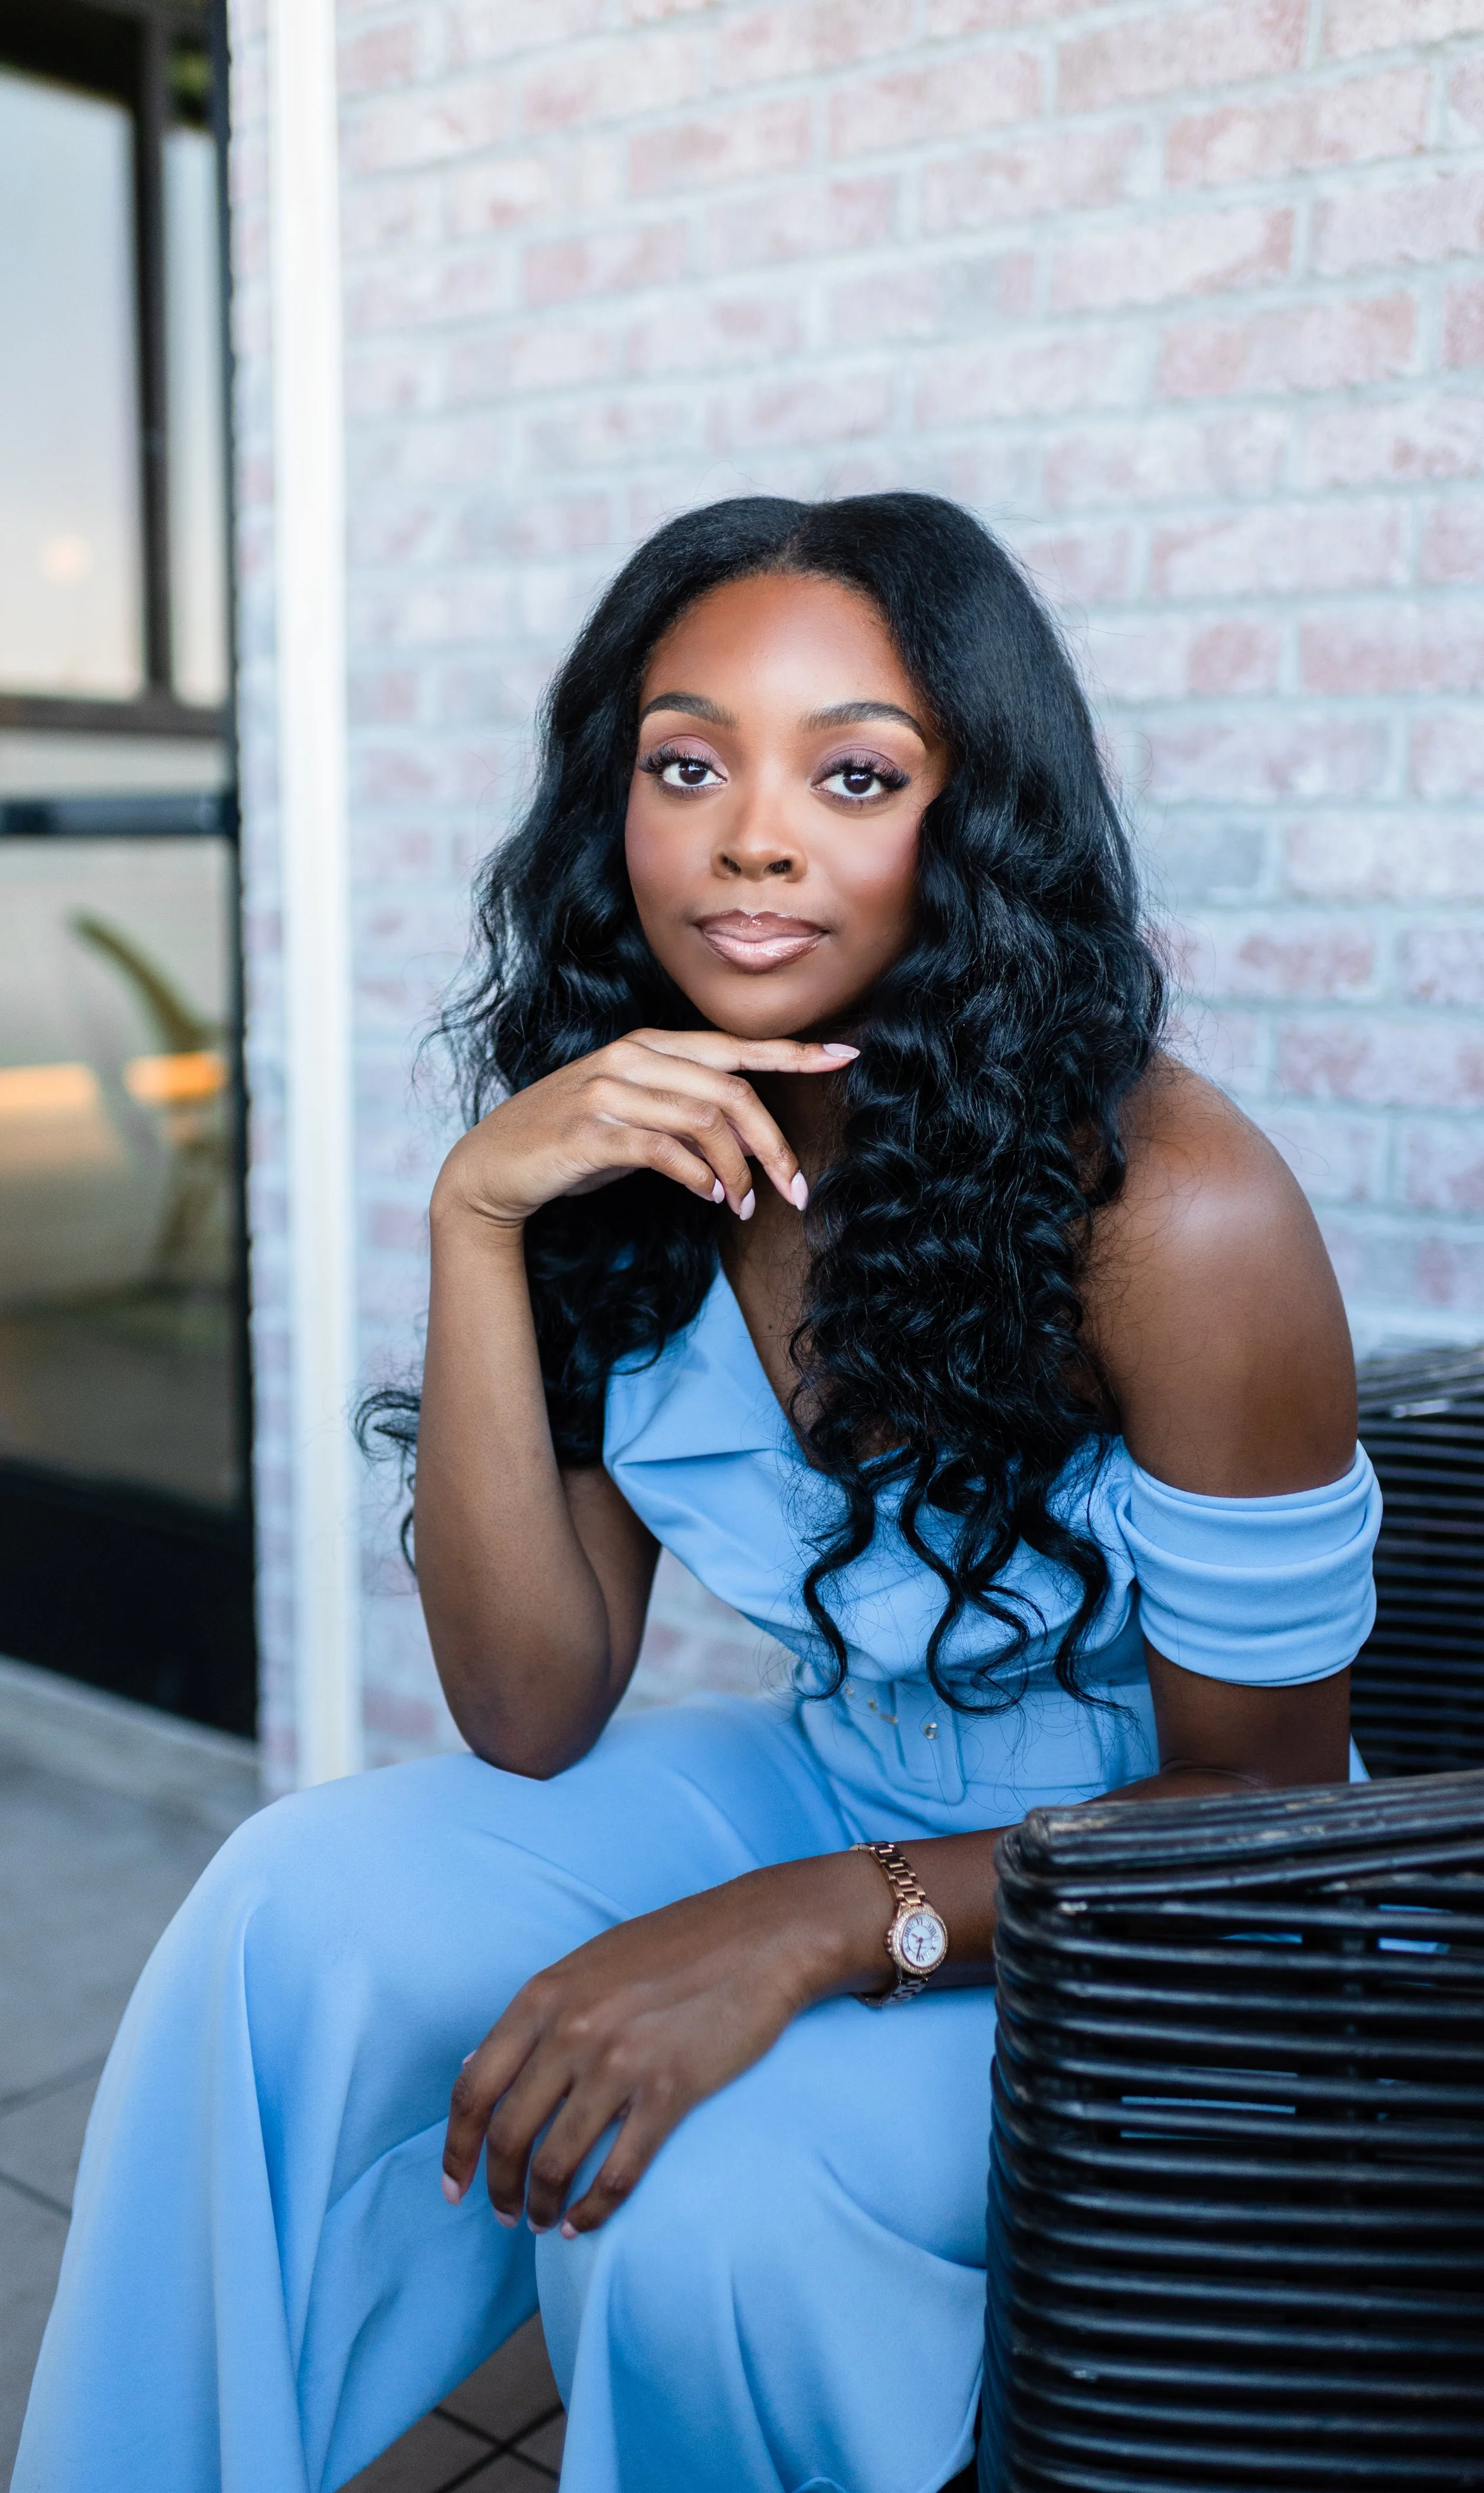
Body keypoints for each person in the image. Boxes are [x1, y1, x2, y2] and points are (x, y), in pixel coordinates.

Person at [15, 495, 1380, 2493]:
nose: (753, 833)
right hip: (850, 1774)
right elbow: (530, 1708)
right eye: (685, 763)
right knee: (286, 1912)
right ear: (616, 810)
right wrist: (478, 1217)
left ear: (975, 815)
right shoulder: (634, 1149)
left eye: (853, 772)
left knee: (708, 2200)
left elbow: (1259, 1806)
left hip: (1166, 1904)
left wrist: (816, 1922)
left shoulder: (1174, 1209)